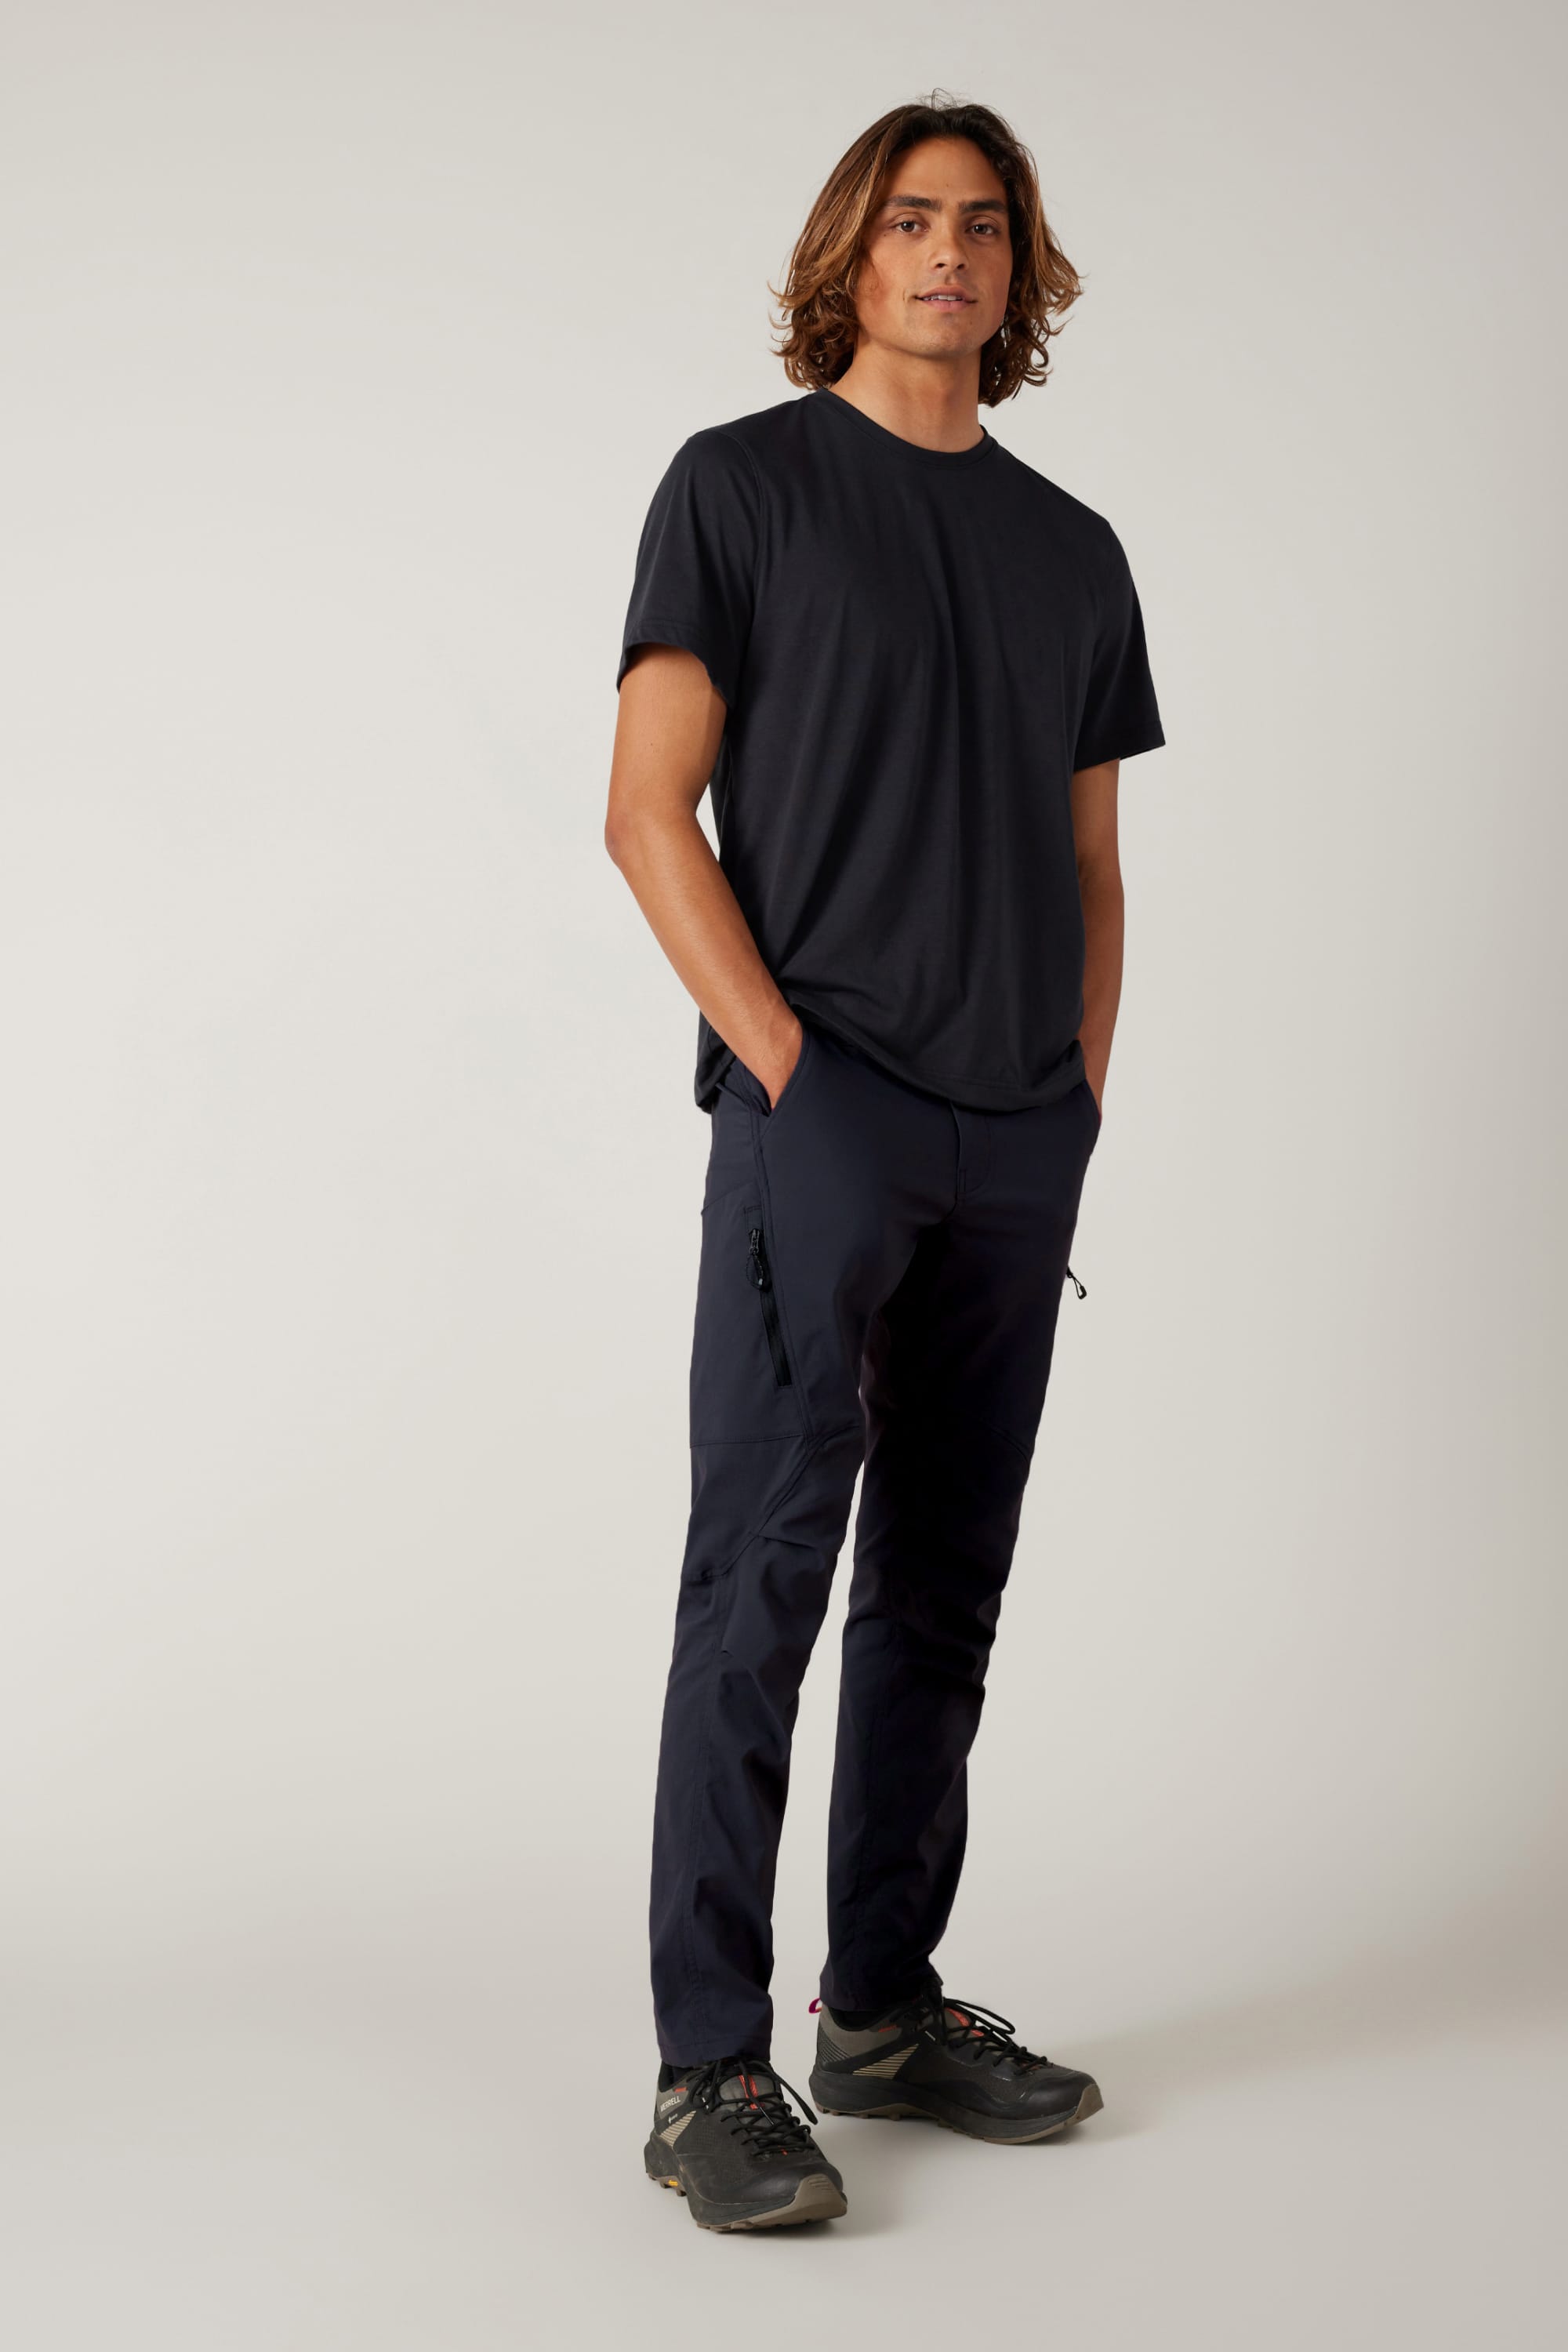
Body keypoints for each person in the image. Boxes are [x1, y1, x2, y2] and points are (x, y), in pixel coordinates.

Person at [605, 93, 1165, 2232]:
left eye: (986, 226)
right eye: (914, 218)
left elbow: (1095, 862)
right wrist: (787, 1068)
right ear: (851, 251)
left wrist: (1073, 1090)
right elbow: (647, 809)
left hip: (1018, 1128)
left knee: (946, 1578)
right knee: (761, 1573)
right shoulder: (739, 489)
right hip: (818, 1105)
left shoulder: (1074, 550)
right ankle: (706, 2069)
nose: (951, 253)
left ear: (1021, 273)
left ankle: (884, 2009)